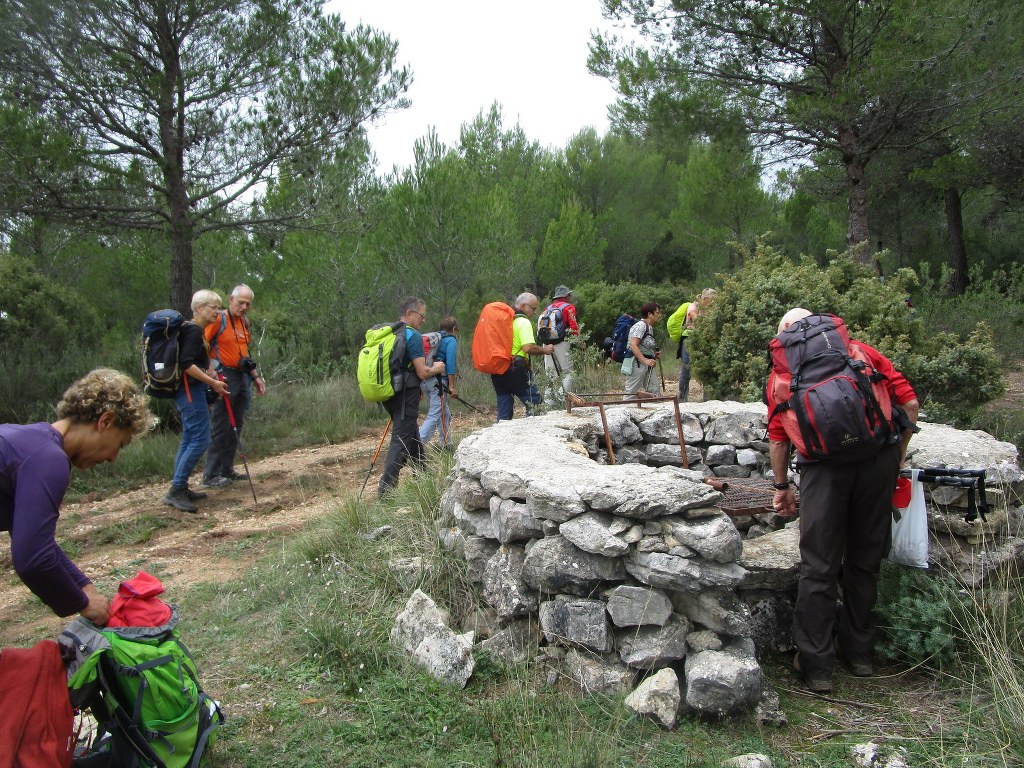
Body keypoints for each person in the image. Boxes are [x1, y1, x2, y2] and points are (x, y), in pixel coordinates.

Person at [768, 308, 920, 694]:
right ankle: (860, 654)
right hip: (876, 463)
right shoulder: (861, 353)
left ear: (786, 336)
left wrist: (782, 486)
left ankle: (817, 666)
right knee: (865, 561)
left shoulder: (784, 374)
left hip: (823, 471)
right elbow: (910, 405)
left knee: (819, 565)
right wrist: (897, 458)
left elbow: (778, 437)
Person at [1, 369, 155, 623]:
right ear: (105, 421)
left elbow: (35, 541)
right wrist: (83, 603)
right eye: (120, 444)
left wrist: (84, 586)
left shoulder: (30, 442)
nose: (112, 458)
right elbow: (33, 559)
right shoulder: (48, 459)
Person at [162, 290, 230, 512]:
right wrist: (212, 383)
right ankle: (176, 490)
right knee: (200, 439)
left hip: (190, 390)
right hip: (190, 391)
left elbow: (193, 362)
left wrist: (210, 375)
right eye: (213, 307)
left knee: (190, 437)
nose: (217, 312)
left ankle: (180, 486)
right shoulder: (192, 330)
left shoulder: (193, 330)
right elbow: (186, 364)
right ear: (199, 308)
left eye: (219, 307)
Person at [379, 297, 446, 496]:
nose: (423, 320)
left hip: (390, 394)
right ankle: (386, 493)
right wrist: (437, 367)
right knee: (400, 440)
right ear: (410, 313)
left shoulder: (389, 332)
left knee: (411, 434)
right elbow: (422, 372)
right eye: (421, 315)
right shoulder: (413, 335)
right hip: (405, 396)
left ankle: (424, 477)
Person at [202, 284, 266, 488]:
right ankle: (210, 474)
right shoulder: (218, 319)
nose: (244, 306)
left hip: (242, 375)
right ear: (231, 299)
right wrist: (209, 372)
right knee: (221, 424)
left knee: (236, 423)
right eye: (241, 302)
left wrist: (256, 377)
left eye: (248, 303)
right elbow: (201, 344)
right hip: (223, 375)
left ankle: (226, 470)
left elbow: (245, 353)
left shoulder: (244, 323)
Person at [490, 292, 554, 421]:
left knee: (504, 410)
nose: (535, 312)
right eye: (534, 308)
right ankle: (533, 436)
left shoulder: (504, 321)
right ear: (524, 306)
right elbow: (528, 348)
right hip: (516, 369)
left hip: (498, 369)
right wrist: (544, 350)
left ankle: (500, 437)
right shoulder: (523, 322)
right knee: (535, 404)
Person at [667, 288, 716, 402]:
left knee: (706, 370)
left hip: (704, 340)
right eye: (712, 301)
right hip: (689, 339)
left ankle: (707, 400)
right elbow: (699, 321)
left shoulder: (710, 309)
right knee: (686, 369)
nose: (713, 304)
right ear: (705, 299)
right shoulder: (693, 307)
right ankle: (682, 399)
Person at [419, 315, 459, 449]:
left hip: (424, 380)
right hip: (438, 382)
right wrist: (452, 386)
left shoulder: (434, 341)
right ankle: (415, 447)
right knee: (435, 415)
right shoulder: (450, 341)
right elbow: (451, 365)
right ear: (454, 329)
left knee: (444, 413)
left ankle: (447, 444)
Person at [540, 285, 580, 400]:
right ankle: (561, 398)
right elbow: (574, 327)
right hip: (562, 343)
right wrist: (579, 342)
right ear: (567, 296)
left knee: (550, 374)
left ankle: (548, 402)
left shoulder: (548, 308)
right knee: (569, 372)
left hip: (546, 344)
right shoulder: (569, 307)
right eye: (569, 295)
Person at [622, 303, 663, 399]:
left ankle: (654, 412)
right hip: (636, 363)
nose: (659, 315)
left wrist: (652, 356)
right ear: (649, 314)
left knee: (654, 389)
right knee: (631, 393)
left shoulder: (648, 327)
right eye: (657, 313)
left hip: (646, 363)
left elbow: (642, 346)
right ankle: (624, 412)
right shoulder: (641, 326)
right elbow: (633, 344)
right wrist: (645, 360)